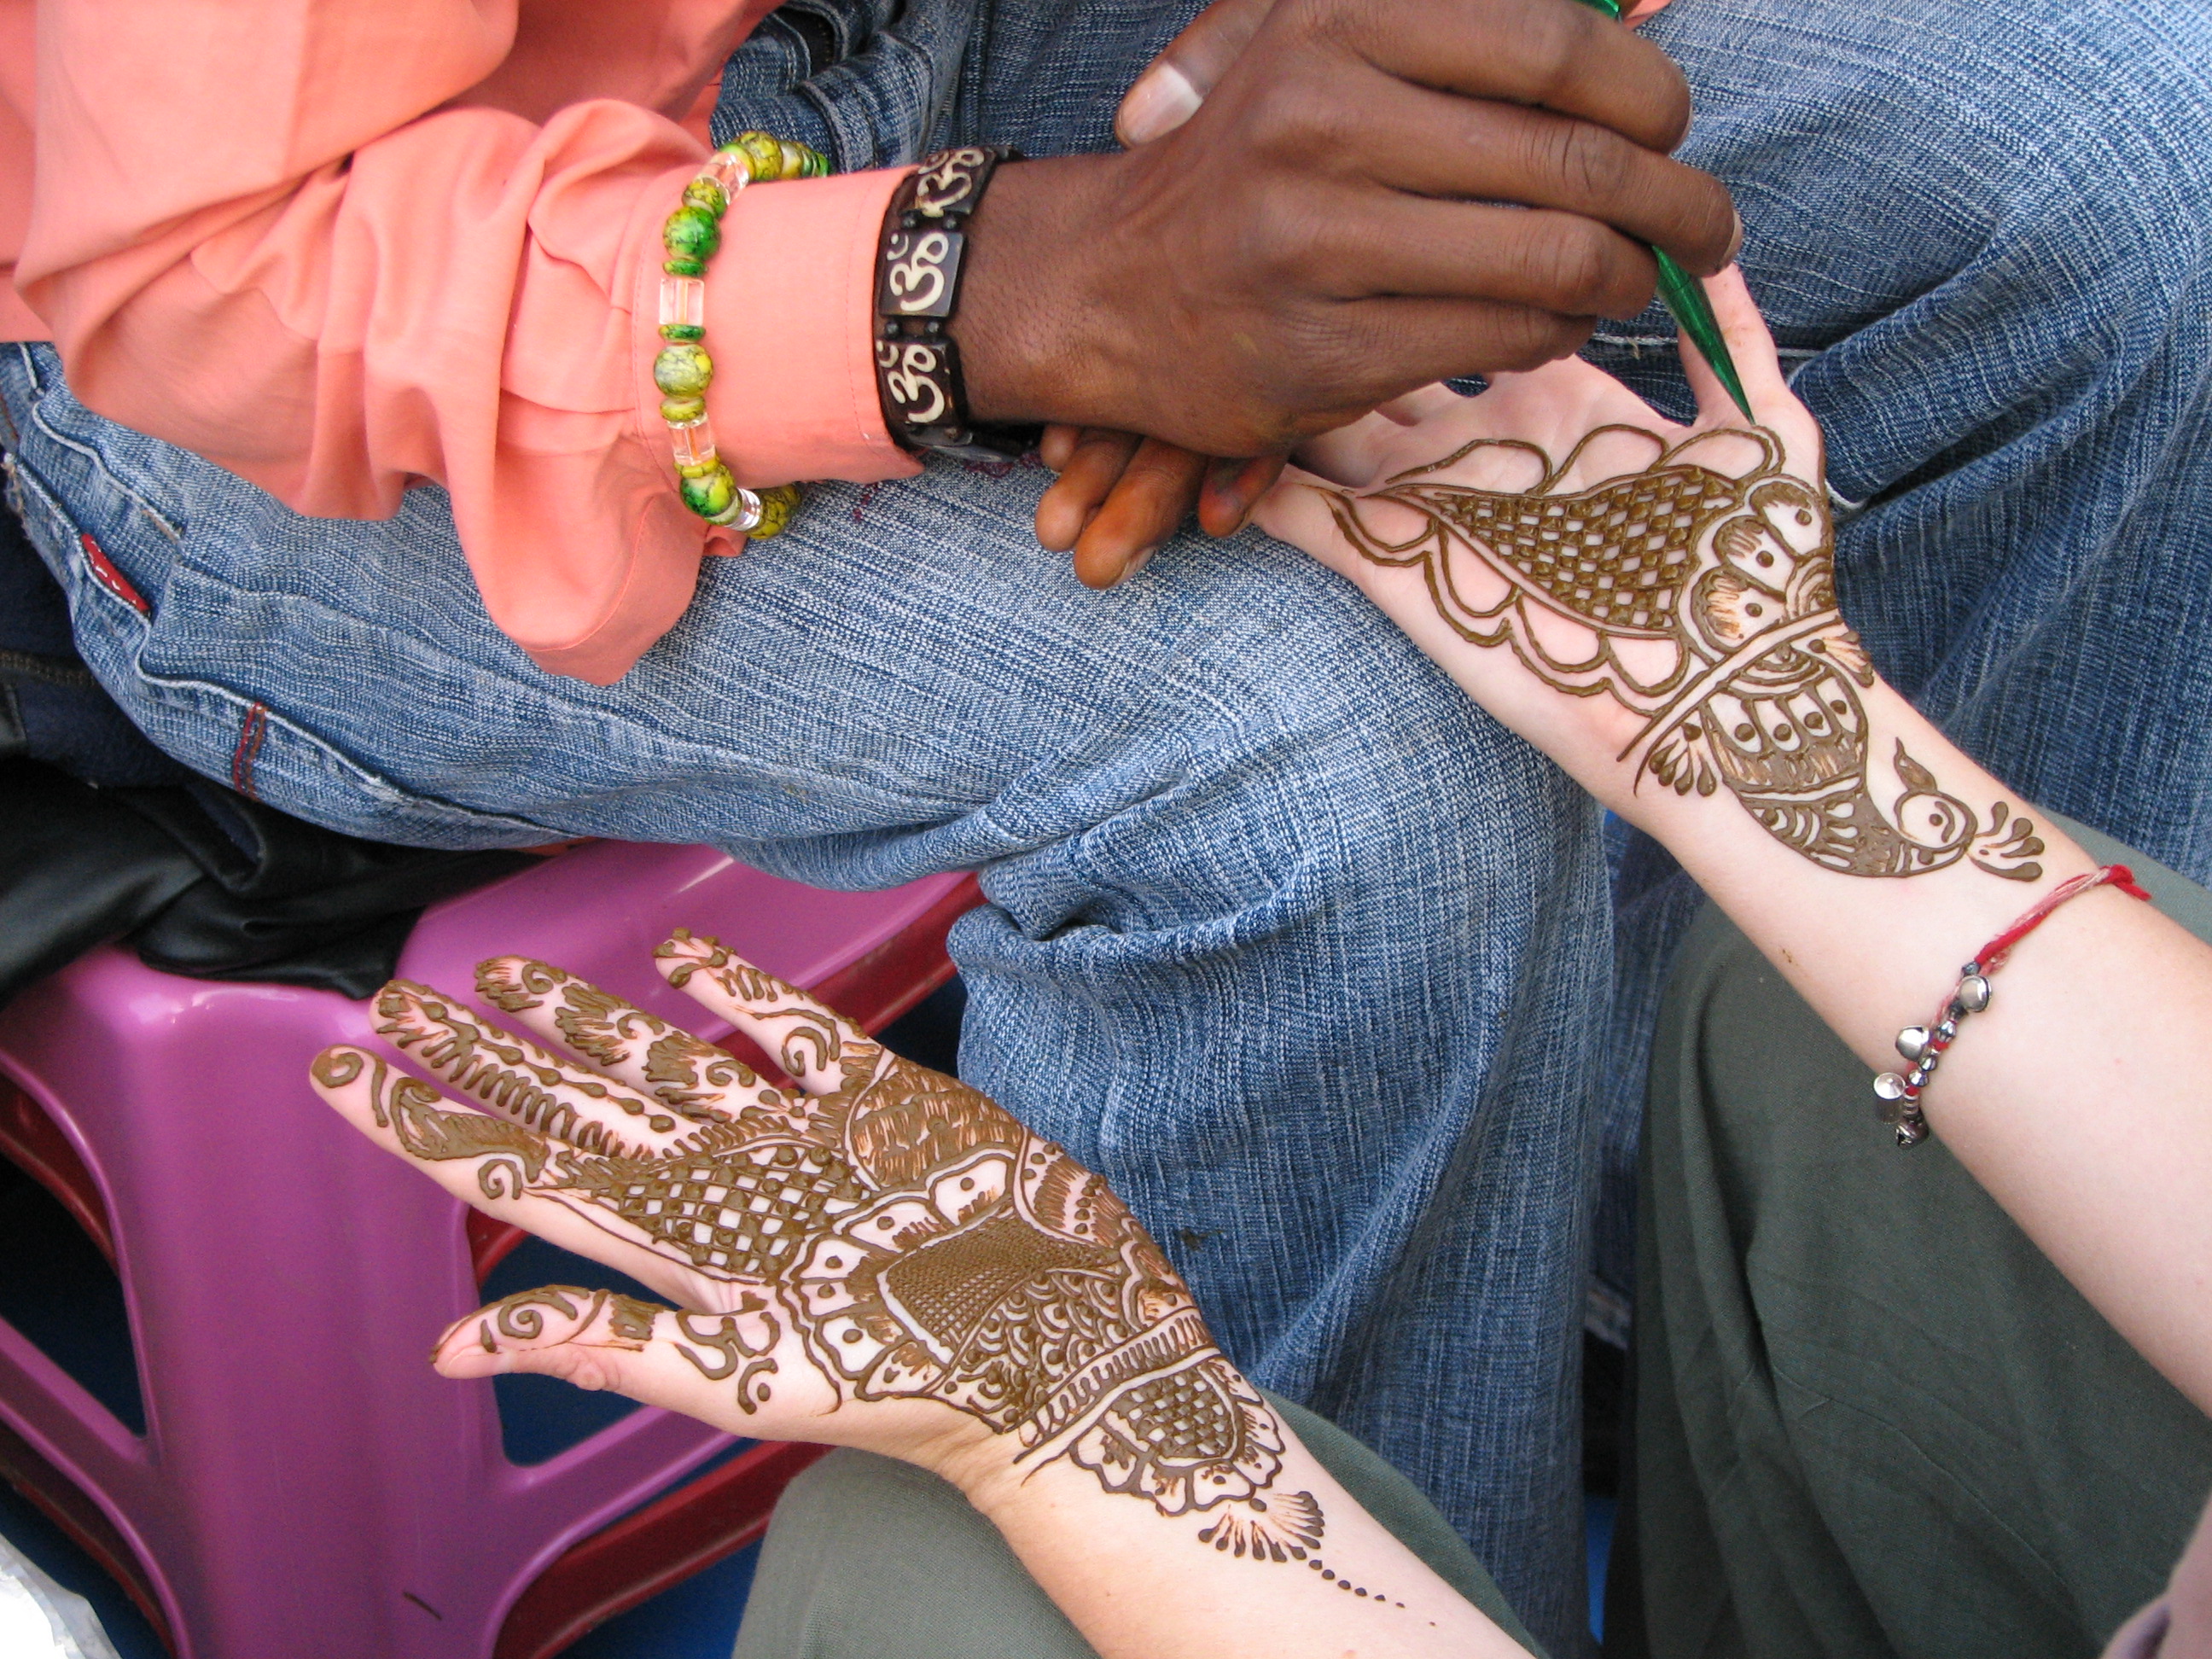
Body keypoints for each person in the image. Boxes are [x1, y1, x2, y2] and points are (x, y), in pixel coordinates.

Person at [8, 0, 2212, 1649]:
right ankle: (1508, 1424)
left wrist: (1085, 1436)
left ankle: (1534, 1382)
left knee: (2104, 176)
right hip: (294, 301)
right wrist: (1032, 283)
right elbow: (205, 256)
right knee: (1328, 735)